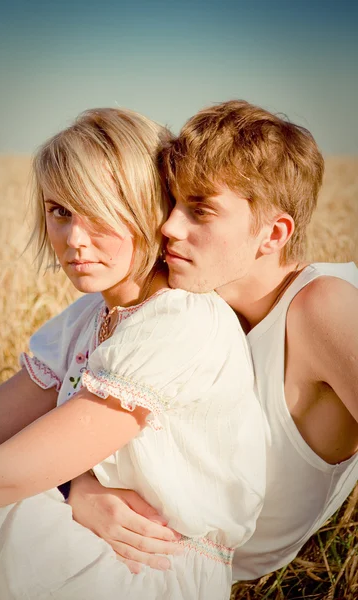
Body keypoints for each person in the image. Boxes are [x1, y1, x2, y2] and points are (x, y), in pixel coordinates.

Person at [0, 107, 266, 600]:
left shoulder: (180, 320)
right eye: (60, 211)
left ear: (150, 208)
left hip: (149, 570)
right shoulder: (87, 316)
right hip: (91, 538)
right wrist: (75, 486)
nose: (74, 239)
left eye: (100, 211)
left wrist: (65, 488)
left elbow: (4, 477)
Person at [63, 100, 358, 581]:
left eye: (200, 210)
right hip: (136, 543)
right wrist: (80, 486)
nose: (169, 227)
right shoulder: (194, 299)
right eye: (173, 202)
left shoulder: (322, 308)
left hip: (190, 569)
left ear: (273, 233)